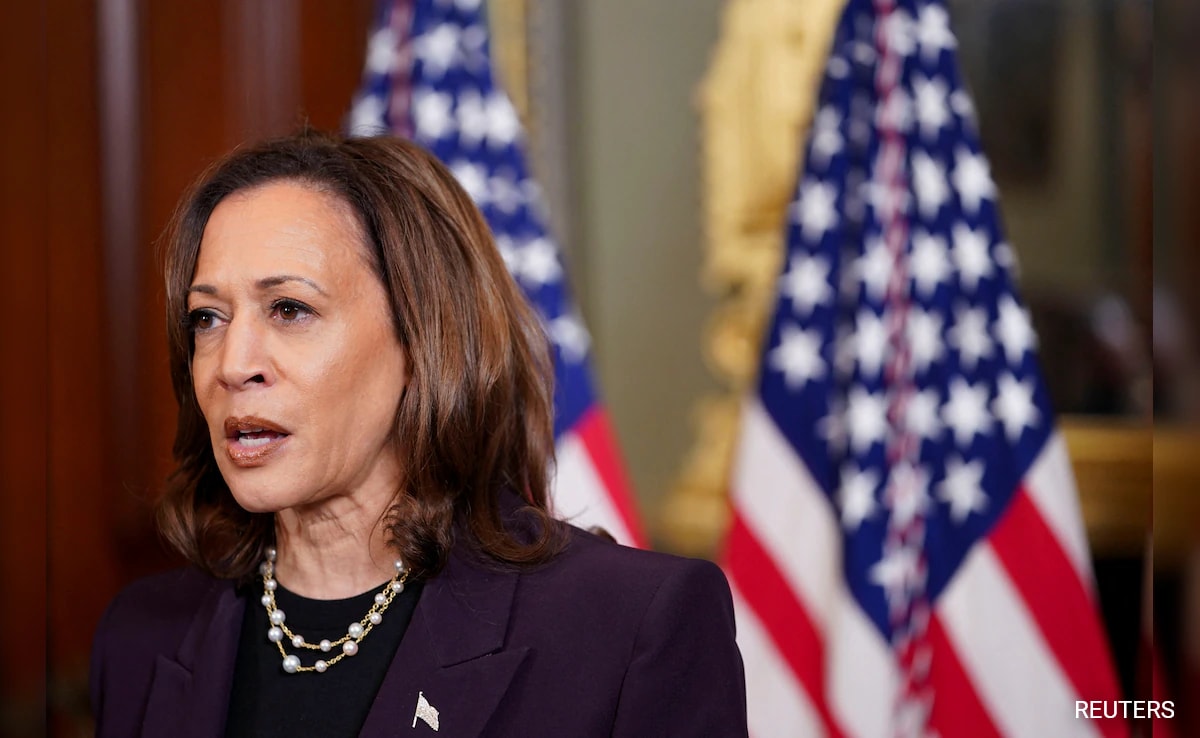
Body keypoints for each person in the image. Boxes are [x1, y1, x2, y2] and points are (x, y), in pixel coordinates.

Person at [89, 130, 748, 737]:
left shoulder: (628, 628)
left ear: (421, 338)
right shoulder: (140, 636)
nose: (233, 365)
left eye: (289, 309)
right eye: (207, 318)